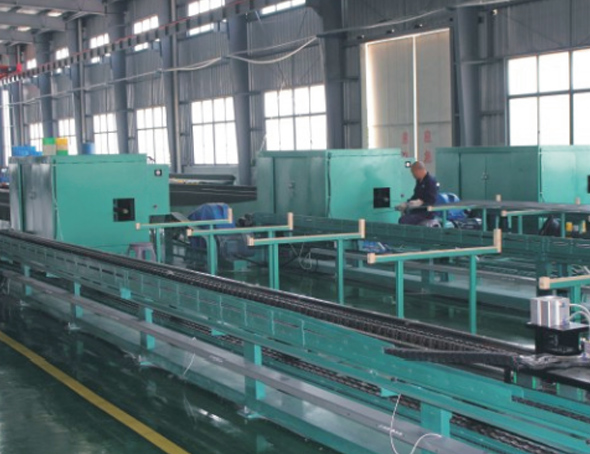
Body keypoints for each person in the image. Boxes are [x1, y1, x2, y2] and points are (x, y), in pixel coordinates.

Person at [396, 161, 439, 225]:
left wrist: (421, 203)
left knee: (404, 220)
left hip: (426, 212)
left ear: (419, 170)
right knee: (403, 217)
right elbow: (415, 196)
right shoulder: (419, 181)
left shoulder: (430, 181)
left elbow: (432, 200)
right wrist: (407, 203)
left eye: (413, 172)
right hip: (417, 211)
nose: (413, 175)